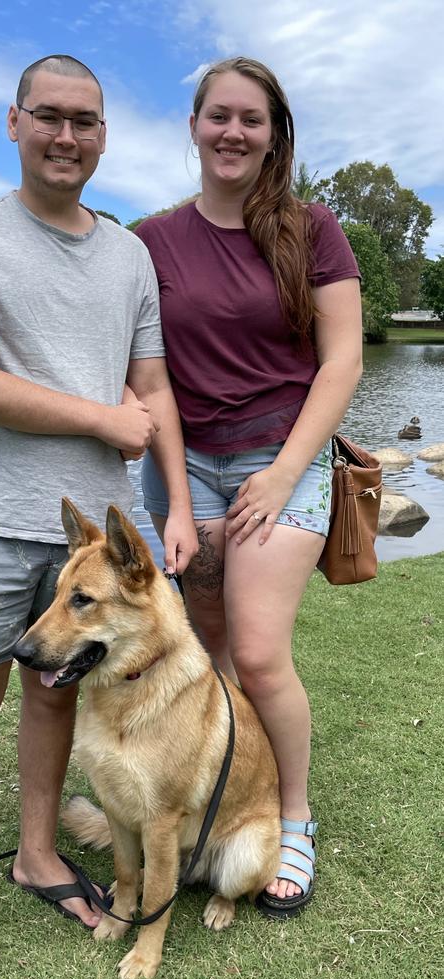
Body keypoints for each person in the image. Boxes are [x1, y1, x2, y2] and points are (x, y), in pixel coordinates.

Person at [0, 53, 197, 979]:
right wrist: (102, 420)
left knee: (55, 693)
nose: (68, 136)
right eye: (51, 117)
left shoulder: (129, 254)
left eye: (86, 122)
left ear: (105, 135)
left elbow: (154, 387)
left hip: (93, 545)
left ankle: (36, 853)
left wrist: (179, 503)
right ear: (16, 123)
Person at [136, 56, 362, 918]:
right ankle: (222, 800)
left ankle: (293, 818)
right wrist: (184, 504)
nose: (234, 132)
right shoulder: (152, 241)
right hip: (185, 463)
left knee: (260, 656)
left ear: (275, 134)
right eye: (218, 115)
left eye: (252, 119)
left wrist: (280, 471)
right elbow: (147, 374)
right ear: (194, 125)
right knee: (210, 656)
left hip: (284, 453)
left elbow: (341, 362)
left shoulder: (313, 229)